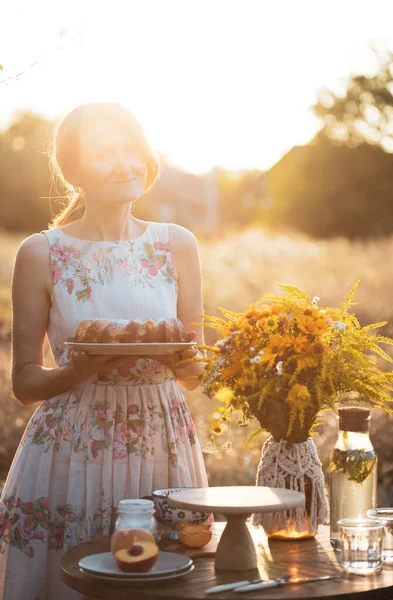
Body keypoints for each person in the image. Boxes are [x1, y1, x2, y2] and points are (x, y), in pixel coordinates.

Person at [0, 101, 209, 599]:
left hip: (162, 438)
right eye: (104, 154)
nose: (124, 164)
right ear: (74, 171)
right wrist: (83, 369)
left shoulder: (177, 244)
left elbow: (195, 372)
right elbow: (24, 383)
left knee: (167, 579)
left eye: (131, 149)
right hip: (73, 444)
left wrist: (176, 359)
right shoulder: (40, 252)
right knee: (75, 580)